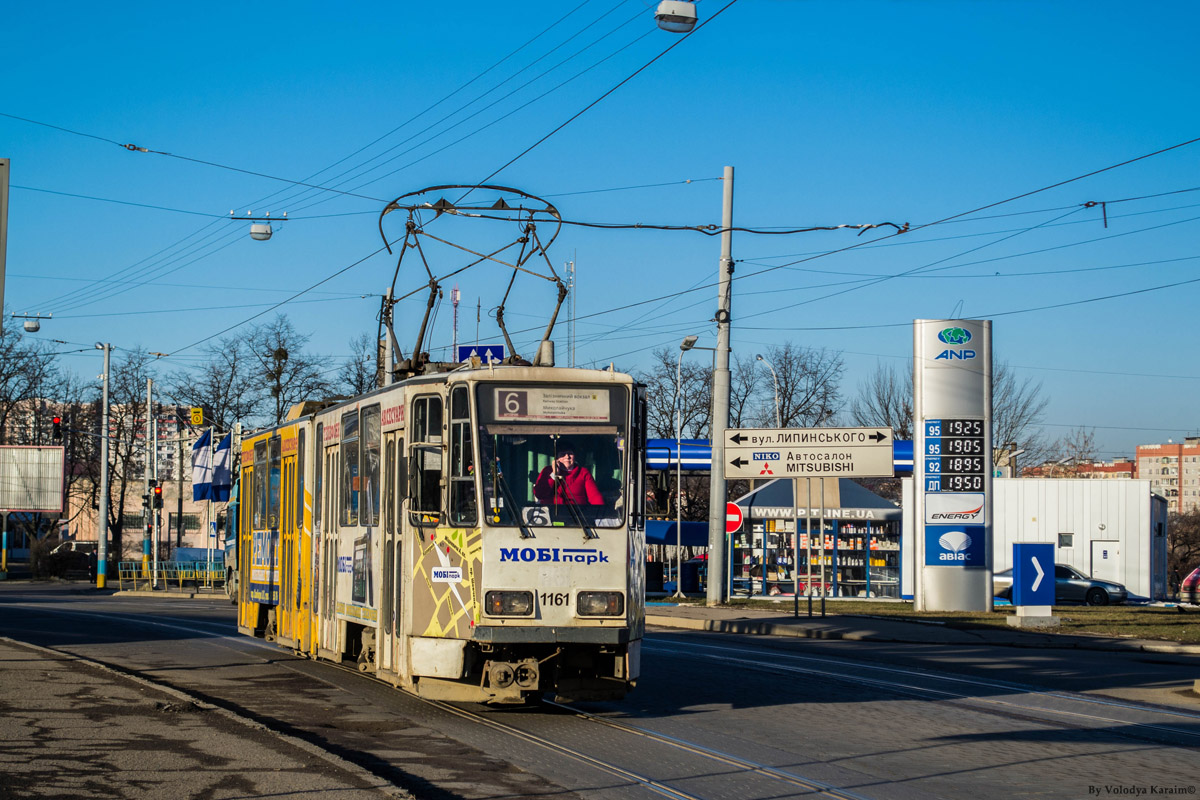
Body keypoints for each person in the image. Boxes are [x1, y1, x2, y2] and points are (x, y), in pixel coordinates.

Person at [533, 442, 602, 506]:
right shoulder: (547, 470)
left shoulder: (583, 472)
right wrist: (554, 474)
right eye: (562, 454)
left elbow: (594, 496)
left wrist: (601, 513)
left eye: (570, 453)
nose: (567, 456)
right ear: (557, 458)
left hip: (577, 514)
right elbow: (539, 494)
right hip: (552, 512)